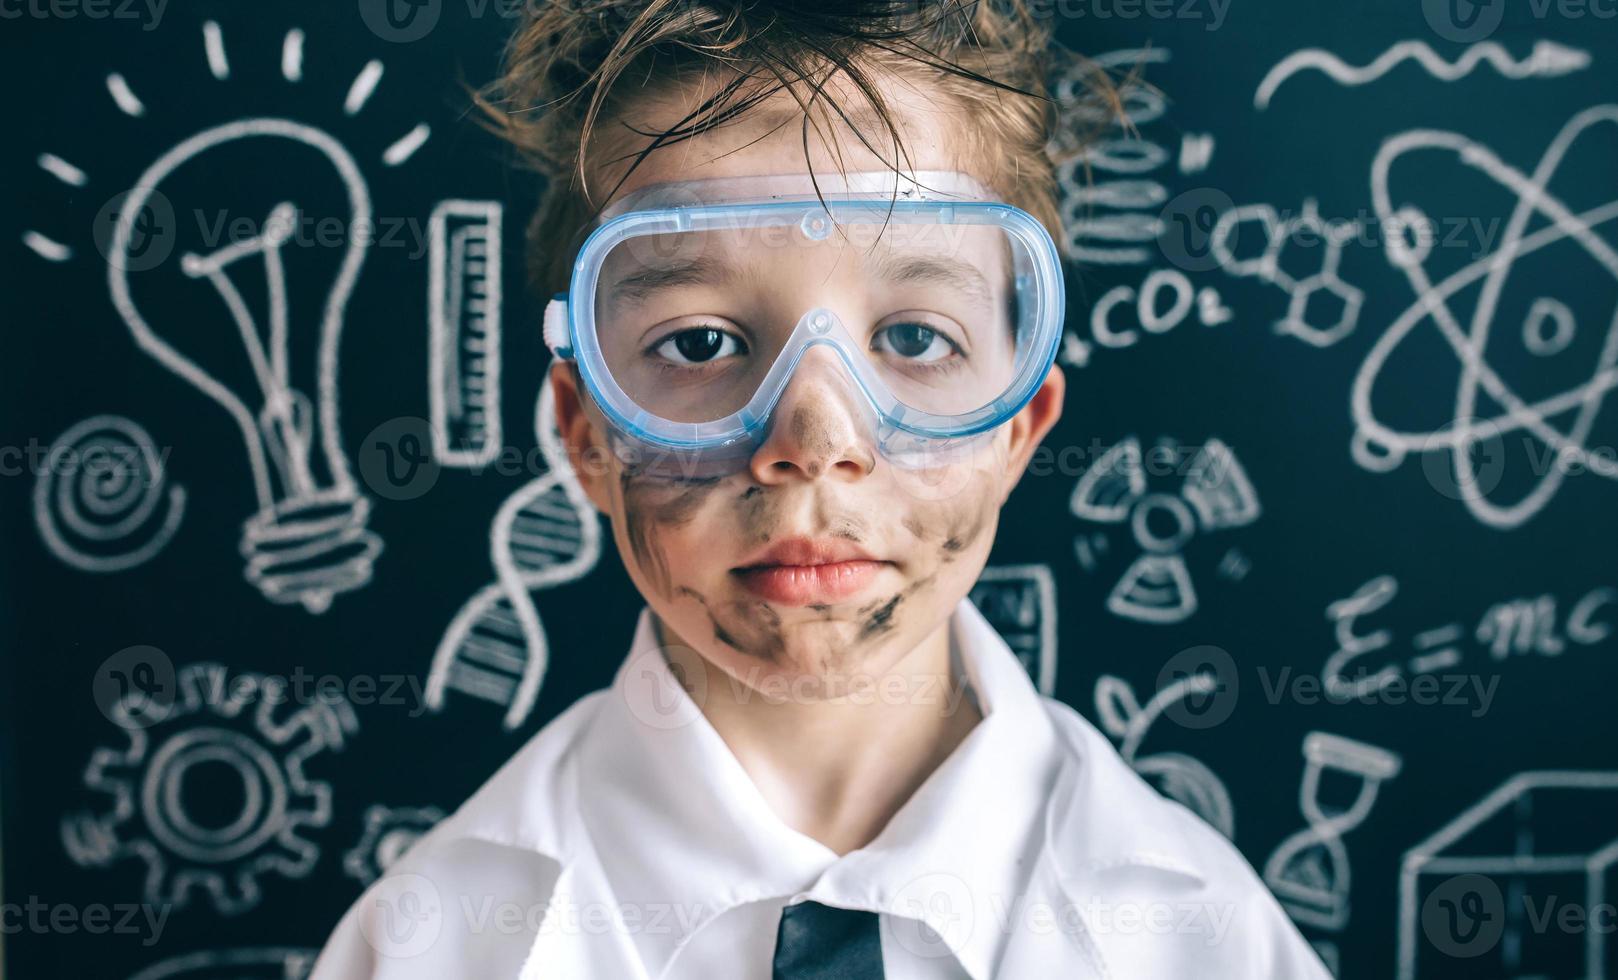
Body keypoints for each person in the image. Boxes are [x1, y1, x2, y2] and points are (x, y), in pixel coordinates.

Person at [310, 1, 1331, 976]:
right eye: (702, 341)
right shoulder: (433, 944)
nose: (813, 439)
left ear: (1021, 425)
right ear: (583, 434)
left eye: (915, 337)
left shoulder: (1201, 939)